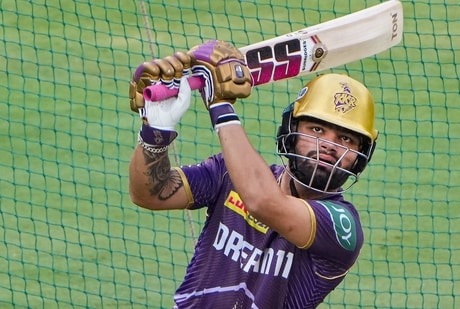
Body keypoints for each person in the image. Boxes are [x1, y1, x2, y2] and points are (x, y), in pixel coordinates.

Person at [128, 40, 378, 309]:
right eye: (317, 130)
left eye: (346, 139)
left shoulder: (342, 227)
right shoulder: (228, 173)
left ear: (360, 156)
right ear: (290, 132)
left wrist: (221, 107)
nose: (329, 145)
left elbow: (263, 202)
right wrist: (155, 133)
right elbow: (149, 194)